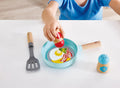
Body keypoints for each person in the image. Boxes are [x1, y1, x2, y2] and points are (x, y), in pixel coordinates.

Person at [42, 0, 120, 41]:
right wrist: (50, 20)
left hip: (94, 33)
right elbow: (49, 10)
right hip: (67, 33)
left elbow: (117, 4)